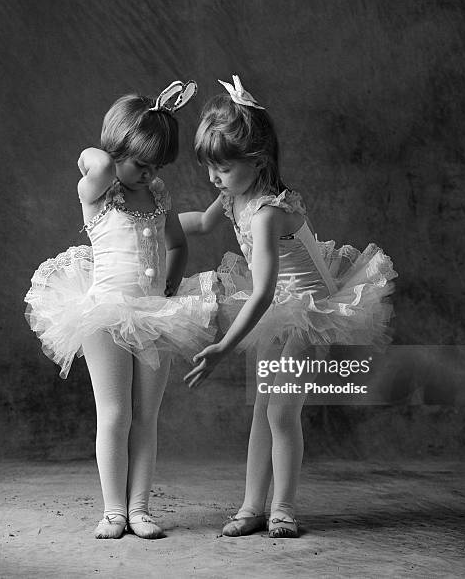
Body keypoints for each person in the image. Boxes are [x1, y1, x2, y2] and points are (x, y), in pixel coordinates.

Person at [180, 75, 397, 538]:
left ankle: (283, 507)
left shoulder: (267, 213)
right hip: (278, 309)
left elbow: (261, 293)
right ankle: (251, 506)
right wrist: (149, 224)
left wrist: (222, 346)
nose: (213, 178)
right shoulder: (231, 195)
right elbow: (198, 223)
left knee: (281, 411)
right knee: (262, 408)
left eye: (223, 168)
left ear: (256, 163)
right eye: (210, 168)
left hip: (310, 312)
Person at [25, 80, 217, 539]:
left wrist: (169, 288)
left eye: (156, 167)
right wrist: (109, 156)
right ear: (117, 152)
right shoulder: (99, 190)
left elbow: (176, 243)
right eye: (141, 164)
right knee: (115, 414)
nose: (149, 174)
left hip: (154, 313)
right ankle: (113, 510)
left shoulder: (157, 195)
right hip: (105, 314)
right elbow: (93, 160)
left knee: (146, 415)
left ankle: (140, 507)